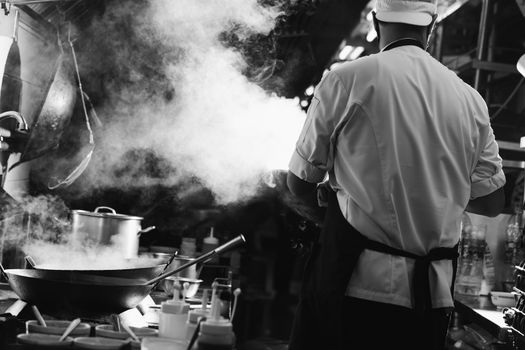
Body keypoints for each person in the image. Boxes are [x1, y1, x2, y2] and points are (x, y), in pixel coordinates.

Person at [285, 0, 506, 349]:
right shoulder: (471, 99)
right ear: (431, 24)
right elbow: (493, 202)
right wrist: (436, 194)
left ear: (375, 19)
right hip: (430, 302)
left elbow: (297, 184)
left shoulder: (347, 78)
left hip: (355, 291)